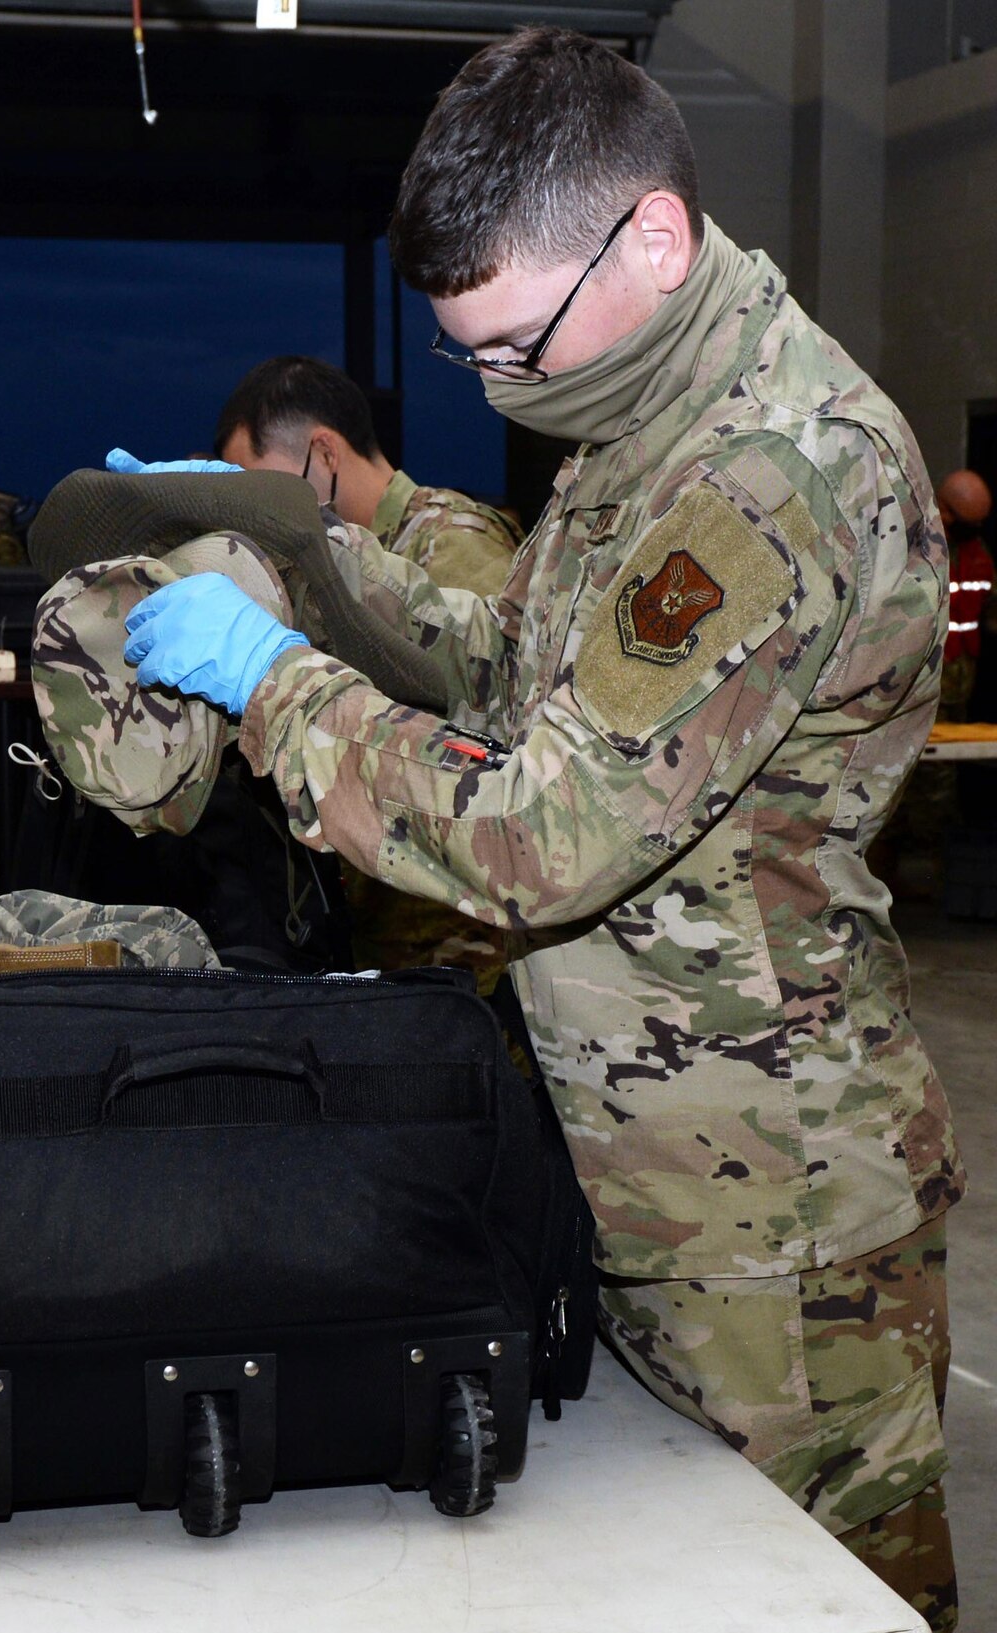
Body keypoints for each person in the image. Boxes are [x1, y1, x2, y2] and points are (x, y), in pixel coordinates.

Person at [119, 29, 961, 1629]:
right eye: (473, 357)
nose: (502, 384)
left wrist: (275, 683)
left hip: (769, 1205)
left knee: (819, 1601)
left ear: (650, 233)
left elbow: (543, 831)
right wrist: (289, 556)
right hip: (648, 1155)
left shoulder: (768, 469)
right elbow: (520, 663)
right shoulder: (640, 423)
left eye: (515, 344)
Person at [215, 354, 522, 980]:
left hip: (458, 945)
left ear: (323, 454)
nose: (255, 510)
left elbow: (501, 726)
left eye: (259, 484)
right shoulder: (356, 559)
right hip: (398, 914)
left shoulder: (452, 544)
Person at [215, 354, 521, 598]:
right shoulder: (348, 556)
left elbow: (509, 673)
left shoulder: (451, 542)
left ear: (325, 453)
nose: (263, 509)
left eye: (266, 487)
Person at [935, 469, 994, 719]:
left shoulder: (978, 553)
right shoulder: (919, 548)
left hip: (961, 682)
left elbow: (991, 606)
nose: (976, 529)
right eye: (969, 523)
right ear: (945, 511)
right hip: (922, 687)